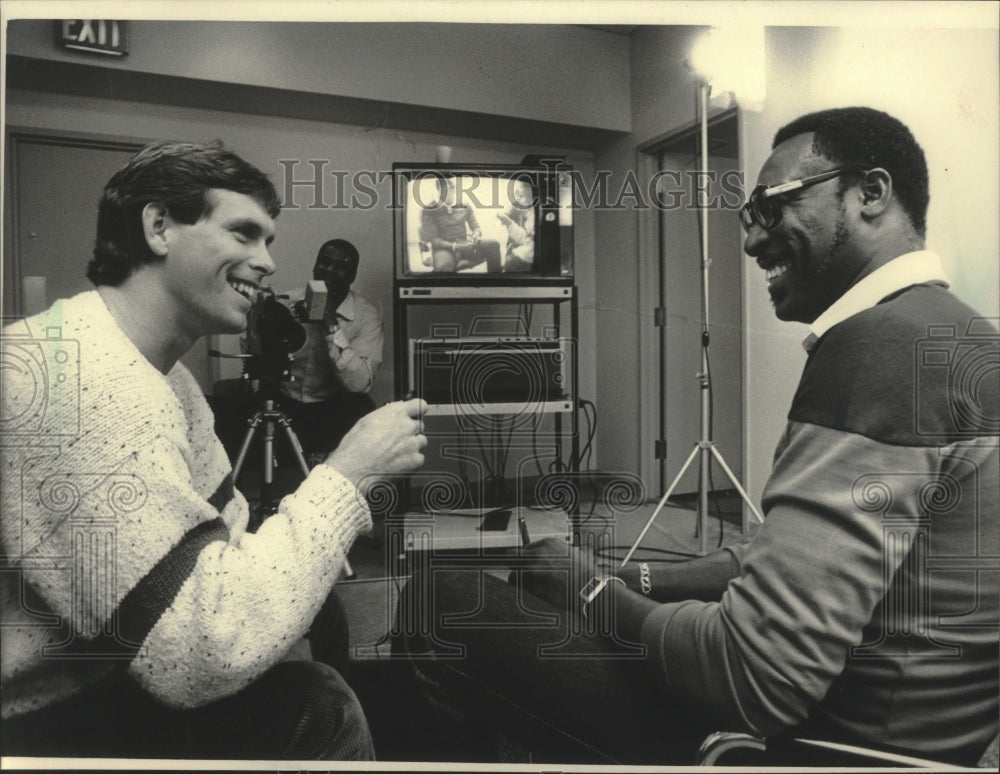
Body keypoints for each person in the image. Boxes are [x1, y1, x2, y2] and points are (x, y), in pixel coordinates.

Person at [391, 107, 999, 766]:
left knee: (439, 600)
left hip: (797, 749)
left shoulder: (877, 348)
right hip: (919, 743)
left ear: (871, 194)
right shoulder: (956, 336)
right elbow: (764, 559)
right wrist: (634, 577)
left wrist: (591, 594)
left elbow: (749, 678)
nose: (751, 240)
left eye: (770, 206)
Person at [0, 141, 428, 760]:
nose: (268, 262)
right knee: (319, 707)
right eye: (244, 234)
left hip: (112, 661)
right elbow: (195, 653)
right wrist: (349, 469)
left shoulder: (165, 375)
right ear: (158, 227)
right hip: (39, 717)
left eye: (270, 241)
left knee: (320, 613)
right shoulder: (77, 380)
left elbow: (226, 539)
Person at [278, 239, 384, 460]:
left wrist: (330, 324)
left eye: (341, 267)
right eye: (324, 263)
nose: (329, 272)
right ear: (315, 266)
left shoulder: (366, 316)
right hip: (285, 403)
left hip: (331, 407)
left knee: (363, 408)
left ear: (353, 276)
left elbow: (360, 384)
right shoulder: (288, 302)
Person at [418, 176, 501, 272]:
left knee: (493, 245)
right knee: (443, 267)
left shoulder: (464, 205)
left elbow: (476, 227)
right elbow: (434, 240)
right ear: (438, 191)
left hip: (465, 245)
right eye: (445, 190)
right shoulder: (429, 209)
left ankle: (493, 283)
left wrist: (476, 235)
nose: (449, 193)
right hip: (444, 249)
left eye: (452, 190)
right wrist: (454, 246)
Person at [496, 178, 535, 273]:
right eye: (517, 194)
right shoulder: (518, 208)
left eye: (521, 195)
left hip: (525, 249)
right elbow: (506, 213)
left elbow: (528, 242)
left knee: (510, 262)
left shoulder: (533, 214)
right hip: (521, 240)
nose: (521, 199)